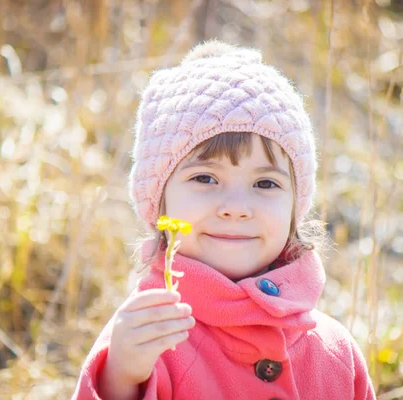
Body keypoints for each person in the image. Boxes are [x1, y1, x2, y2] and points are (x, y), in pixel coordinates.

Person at [72, 40, 375, 399]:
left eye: (265, 182)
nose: (236, 207)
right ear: (160, 201)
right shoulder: (147, 339)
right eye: (205, 178)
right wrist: (120, 380)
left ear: (295, 206)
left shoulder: (336, 353)